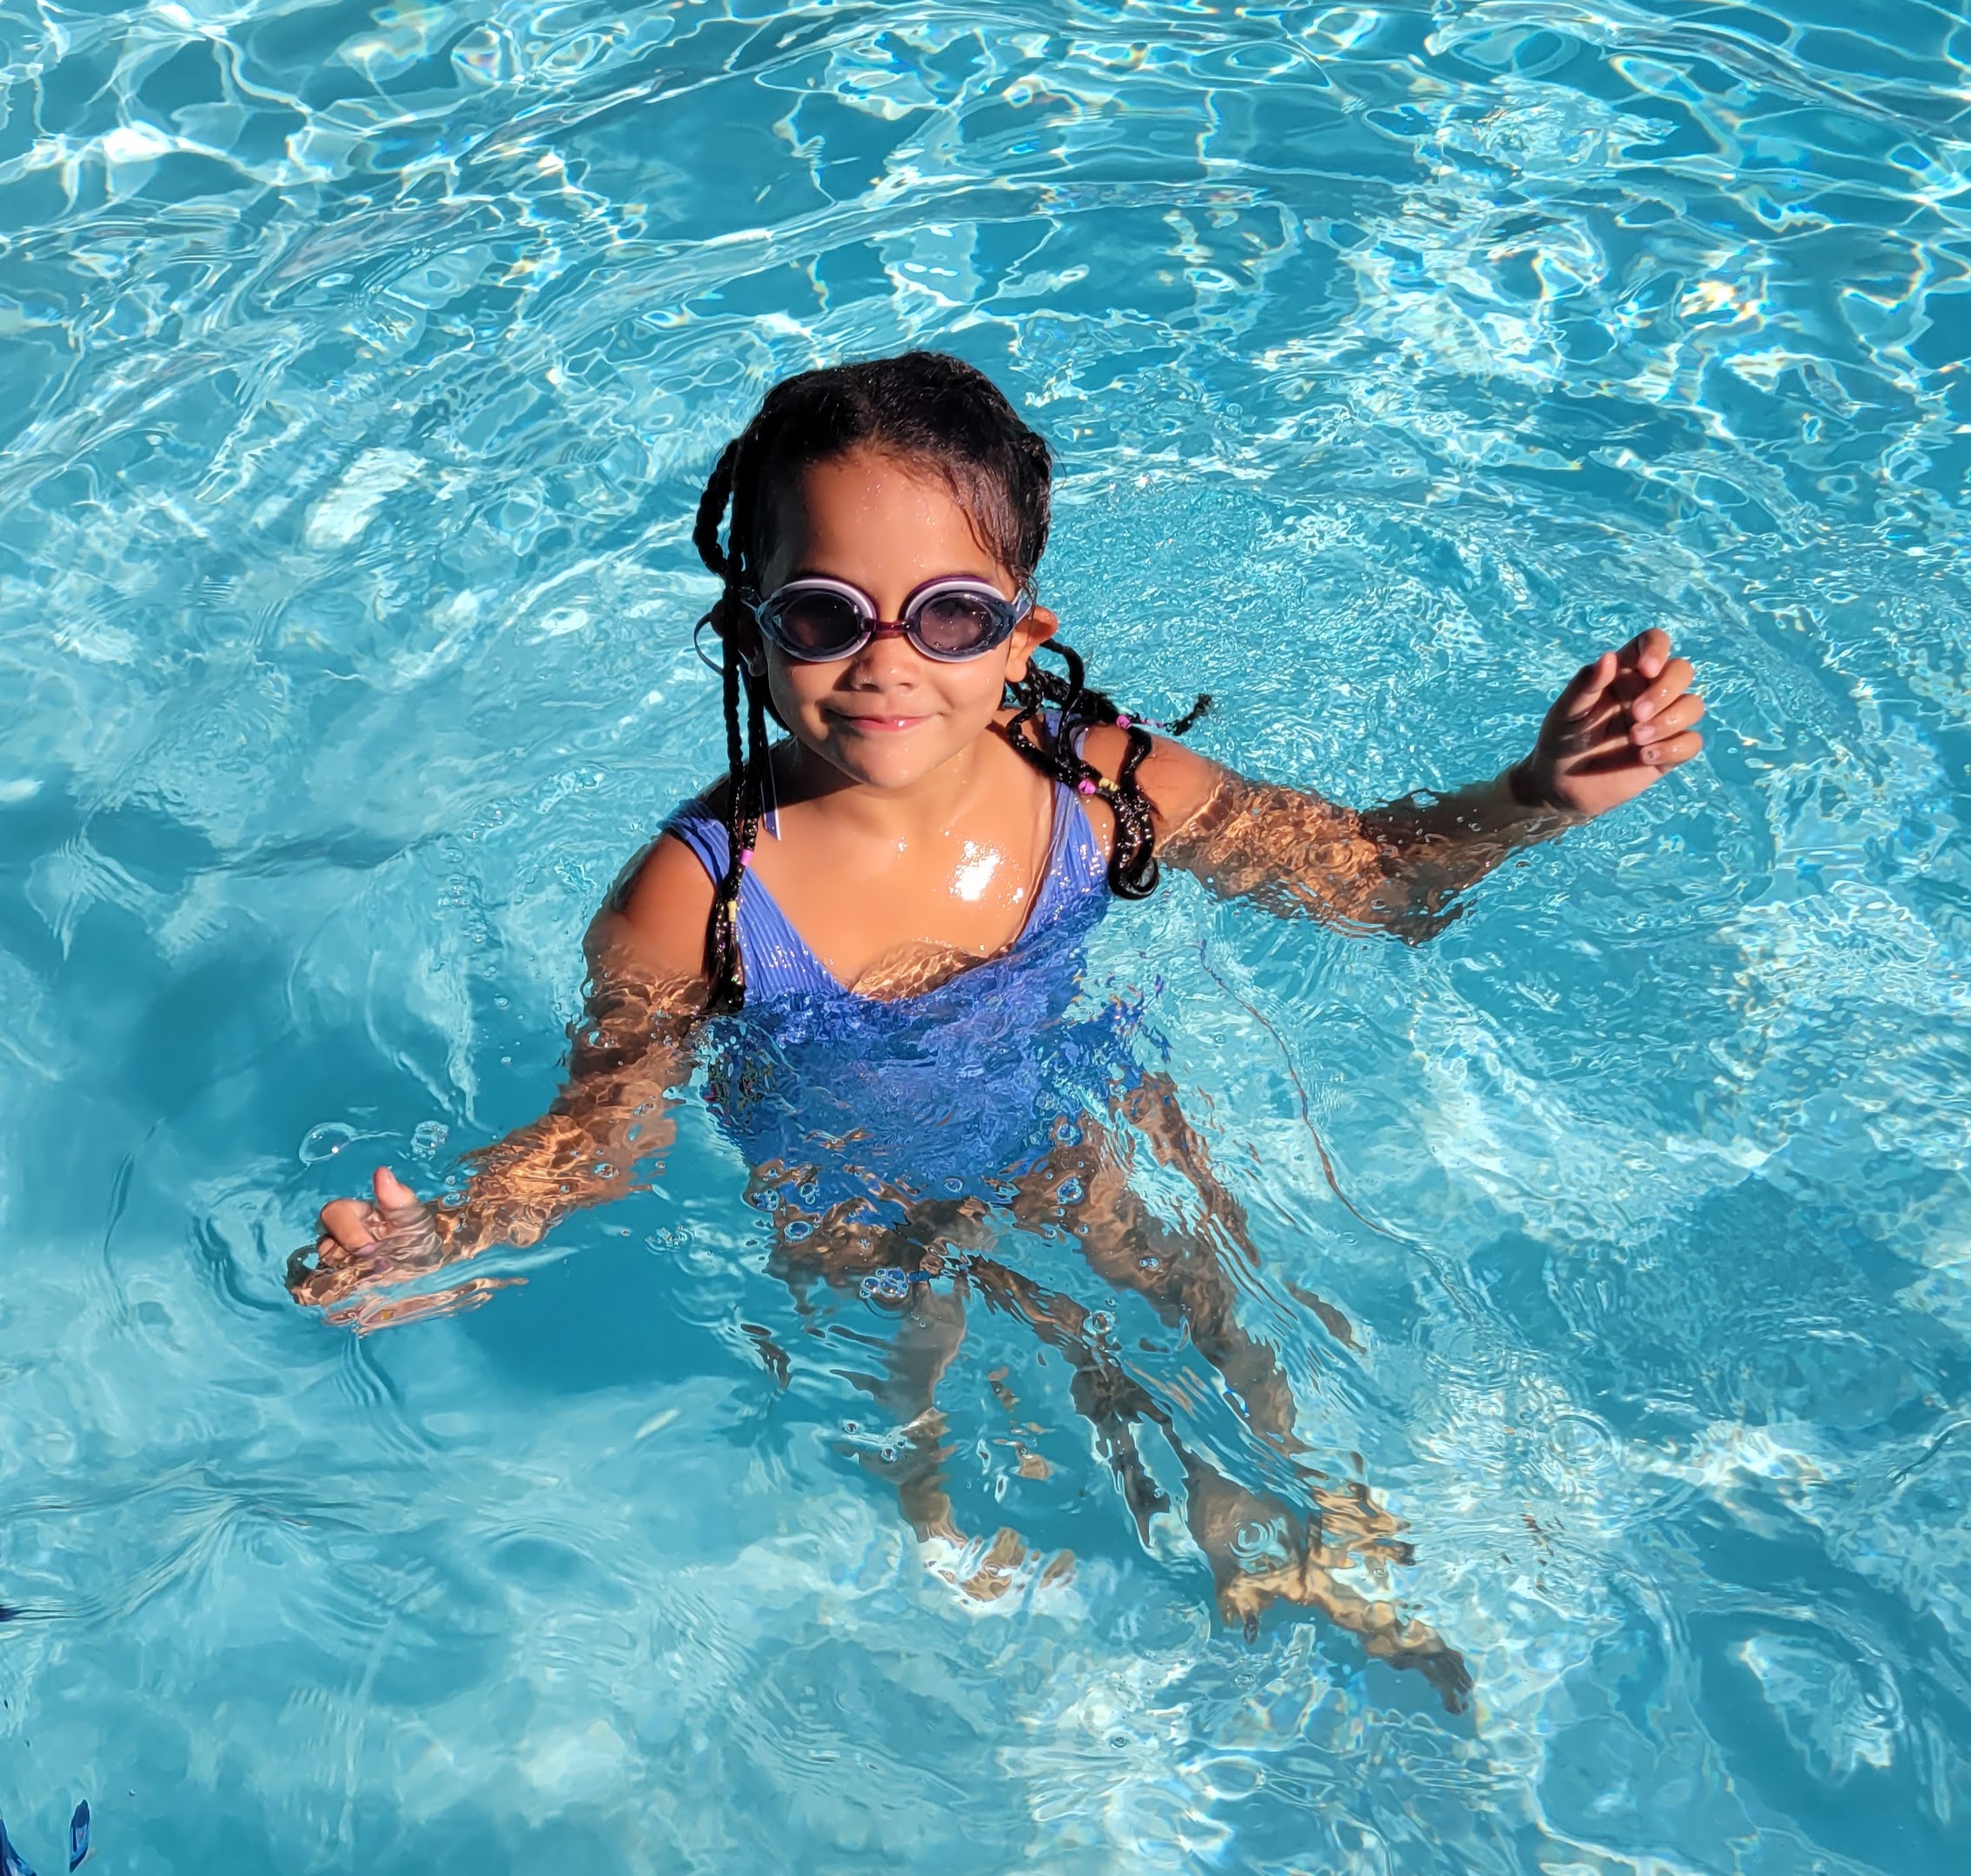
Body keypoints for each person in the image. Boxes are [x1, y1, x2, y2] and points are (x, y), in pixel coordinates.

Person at [289, 352, 1705, 1711]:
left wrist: (1531, 795)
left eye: (950, 614)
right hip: (850, 1178)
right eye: (825, 614)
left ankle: (1297, 1520)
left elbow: (1369, 880)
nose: (887, 660)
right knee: (919, 1380)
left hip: (1067, 1107)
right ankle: (939, 1554)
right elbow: (606, 1124)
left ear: (1023, 628)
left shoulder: (1094, 781)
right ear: (749, 627)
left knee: (1222, 1313)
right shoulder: (698, 898)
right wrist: (457, 1232)